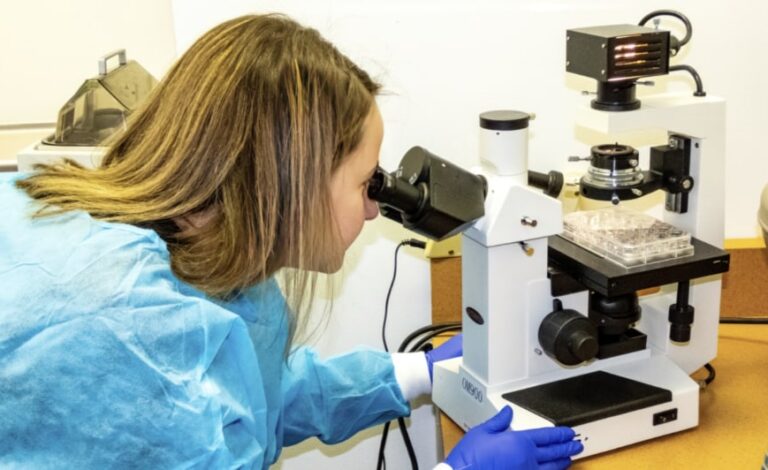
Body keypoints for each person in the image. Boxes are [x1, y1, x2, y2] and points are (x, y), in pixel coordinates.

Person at [0, 14, 583, 469]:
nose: (376, 207)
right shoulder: (129, 333)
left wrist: (415, 372)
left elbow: (256, 399)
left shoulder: (188, 249)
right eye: (365, 183)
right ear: (286, 183)